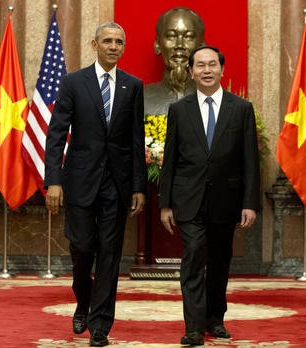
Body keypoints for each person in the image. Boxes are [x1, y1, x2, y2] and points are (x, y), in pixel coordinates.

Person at [44, 22, 146, 347]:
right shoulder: (74, 82)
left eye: (119, 42)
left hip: (116, 185)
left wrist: (138, 186)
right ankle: (82, 300)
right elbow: (56, 134)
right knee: (82, 248)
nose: (113, 46)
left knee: (110, 254)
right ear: (94, 44)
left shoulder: (134, 85)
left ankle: (100, 325)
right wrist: (54, 181)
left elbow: (135, 140)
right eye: (108, 41)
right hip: (79, 181)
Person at [159, 46, 261, 346]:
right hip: (188, 201)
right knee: (192, 257)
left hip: (226, 202)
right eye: (200, 65)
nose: (206, 70)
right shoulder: (179, 110)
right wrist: (165, 204)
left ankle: (215, 319)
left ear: (222, 69)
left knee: (219, 262)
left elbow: (249, 161)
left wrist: (249, 204)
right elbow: (171, 160)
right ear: (191, 71)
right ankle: (192, 327)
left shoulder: (241, 109)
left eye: (212, 65)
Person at [144, 7, 205, 116]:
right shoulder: (140, 99)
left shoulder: (217, 99)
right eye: (171, 36)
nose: (180, 45)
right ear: (157, 45)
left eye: (188, 37)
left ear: (201, 47)